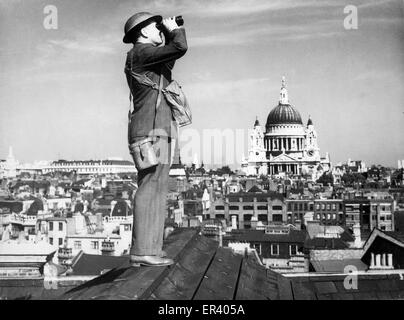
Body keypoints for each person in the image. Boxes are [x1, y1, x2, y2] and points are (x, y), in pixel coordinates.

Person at [123, 12, 188, 266]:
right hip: (149, 132)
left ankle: (151, 249)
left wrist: (168, 34)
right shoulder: (139, 53)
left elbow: (170, 58)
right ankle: (142, 250)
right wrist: (173, 31)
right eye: (155, 26)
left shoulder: (150, 59)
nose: (159, 29)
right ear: (142, 32)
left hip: (161, 129)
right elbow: (180, 47)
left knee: (159, 189)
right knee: (149, 187)